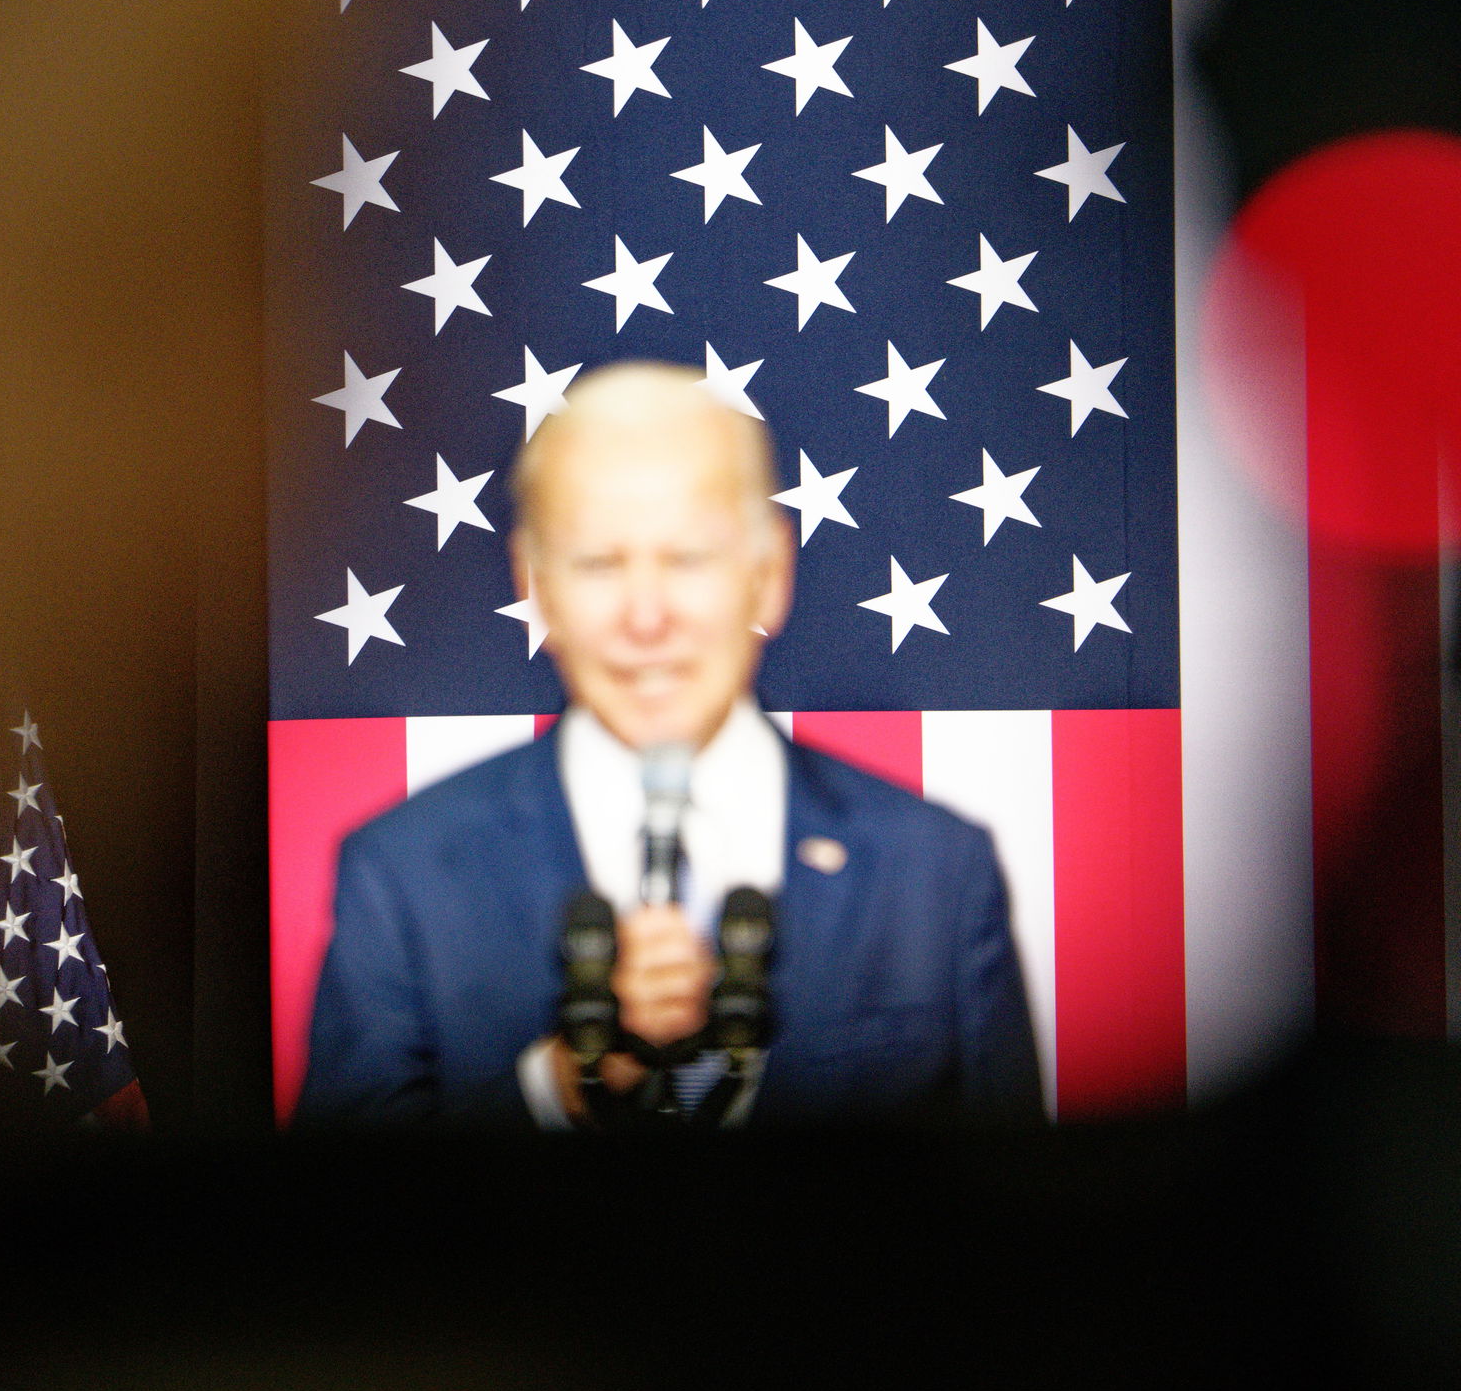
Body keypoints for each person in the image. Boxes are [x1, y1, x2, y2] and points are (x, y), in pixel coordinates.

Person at [300, 364, 1041, 1126]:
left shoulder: (936, 875)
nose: (646, 617)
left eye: (688, 558)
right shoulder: (403, 876)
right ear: (535, 584)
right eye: (598, 564)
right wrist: (553, 1093)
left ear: (770, 574)